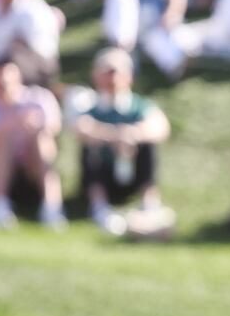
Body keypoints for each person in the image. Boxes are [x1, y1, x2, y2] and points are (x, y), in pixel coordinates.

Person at [72, 47, 173, 237]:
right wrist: (115, 136)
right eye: (107, 72)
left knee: (148, 147)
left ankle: (149, 203)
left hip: (132, 171)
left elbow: (160, 127)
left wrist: (132, 135)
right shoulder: (91, 107)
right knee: (91, 149)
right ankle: (99, 206)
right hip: (103, 174)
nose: (112, 78)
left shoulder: (139, 106)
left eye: (117, 72)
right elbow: (81, 129)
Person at [0, 59, 66, 229]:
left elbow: (54, 128)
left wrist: (33, 125)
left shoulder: (39, 97)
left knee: (41, 138)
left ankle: (52, 207)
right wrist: (4, 127)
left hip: (34, 168)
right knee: (2, 137)